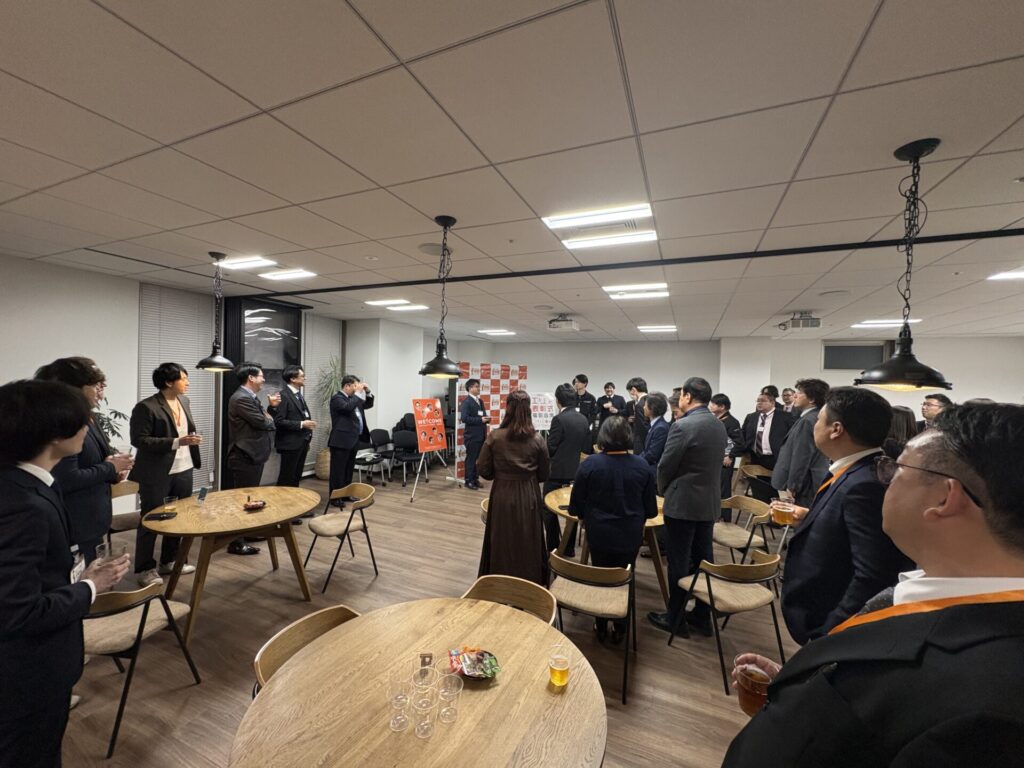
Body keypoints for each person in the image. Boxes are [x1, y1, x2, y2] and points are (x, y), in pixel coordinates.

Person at [723, 403, 1024, 767]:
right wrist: (812, 686)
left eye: (897, 468)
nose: (884, 479)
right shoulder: (936, 601)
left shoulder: (987, 704)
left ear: (945, 497)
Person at [0, 380, 129, 768]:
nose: (88, 427)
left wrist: (77, 576)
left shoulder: (25, 482)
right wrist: (91, 586)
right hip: (28, 672)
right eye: (81, 420)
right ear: (54, 434)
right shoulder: (25, 505)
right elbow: (18, 612)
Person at [776, 387, 913, 644]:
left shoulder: (864, 484)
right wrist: (812, 517)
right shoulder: (856, 470)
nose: (815, 425)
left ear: (836, 429)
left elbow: (873, 574)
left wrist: (830, 633)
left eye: (819, 419)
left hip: (828, 622)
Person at [648, 377, 727, 637]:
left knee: (679, 562)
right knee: (704, 560)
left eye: (681, 394)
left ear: (688, 396)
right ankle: (703, 616)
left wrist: (663, 490)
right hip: (708, 503)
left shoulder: (682, 426)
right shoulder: (718, 425)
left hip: (682, 503)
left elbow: (665, 466)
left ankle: (675, 618)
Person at [35, 357, 134, 563]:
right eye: (97, 386)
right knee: (81, 575)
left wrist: (114, 472)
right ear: (72, 388)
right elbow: (65, 479)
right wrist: (109, 467)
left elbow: (96, 461)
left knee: (94, 572)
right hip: (75, 522)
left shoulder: (89, 416)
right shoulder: (61, 423)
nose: (102, 393)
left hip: (95, 516)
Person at [570, 416, 657, 641]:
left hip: (598, 533)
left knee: (600, 575)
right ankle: (621, 626)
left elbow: (576, 505)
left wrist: (584, 517)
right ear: (629, 437)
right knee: (625, 576)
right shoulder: (642, 466)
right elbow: (651, 510)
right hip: (630, 534)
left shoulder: (589, 464)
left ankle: (600, 624)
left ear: (603, 437)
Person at [128, 363, 202, 586]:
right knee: (151, 518)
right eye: (183, 379)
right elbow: (139, 440)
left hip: (184, 467)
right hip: (156, 471)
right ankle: (145, 568)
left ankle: (169, 561)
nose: (187, 382)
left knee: (178, 516)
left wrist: (191, 439)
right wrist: (177, 442)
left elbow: (184, 430)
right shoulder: (146, 407)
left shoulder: (184, 401)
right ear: (169, 382)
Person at [477, 390, 550, 585]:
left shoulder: (495, 437)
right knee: (528, 537)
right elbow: (544, 474)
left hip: (502, 492)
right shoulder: (538, 439)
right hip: (529, 493)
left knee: (501, 537)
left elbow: (483, 469)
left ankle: (499, 582)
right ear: (529, 410)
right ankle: (528, 583)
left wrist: (500, 474)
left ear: (507, 409)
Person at [225, 362, 278, 556]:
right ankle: (236, 543)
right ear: (251, 378)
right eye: (261, 376)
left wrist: (269, 412)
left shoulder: (250, 397)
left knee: (250, 497)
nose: (264, 379)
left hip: (253, 453)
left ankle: (247, 533)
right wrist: (268, 417)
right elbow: (263, 422)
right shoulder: (241, 398)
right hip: (244, 454)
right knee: (242, 499)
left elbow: (265, 419)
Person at [543, 383, 590, 556]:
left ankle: (553, 546)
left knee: (547, 508)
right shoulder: (583, 419)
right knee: (572, 510)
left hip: (556, 472)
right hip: (576, 472)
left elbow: (551, 448)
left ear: (558, 401)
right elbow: (586, 447)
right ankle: (568, 548)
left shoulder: (559, 419)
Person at [771, 378, 830, 507]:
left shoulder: (808, 420)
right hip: (809, 480)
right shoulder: (812, 416)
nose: (795, 396)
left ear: (812, 399)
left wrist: (793, 486)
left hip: (805, 484)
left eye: (799, 393)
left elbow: (802, 456)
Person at [328, 375, 374, 506]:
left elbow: (368, 404)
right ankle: (335, 498)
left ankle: (346, 495)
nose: (356, 388)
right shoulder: (337, 398)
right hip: (341, 441)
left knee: (348, 470)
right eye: (354, 385)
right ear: (347, 386)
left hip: (353, 440)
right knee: (338, 471)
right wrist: (358, 394)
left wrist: (368, 392)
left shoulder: (353, 399)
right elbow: (347, 408)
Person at [269, 365, 316, 492]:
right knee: (286, 477)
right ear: (293, 379)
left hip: (302, 441)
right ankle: (283, 502)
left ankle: (295, 501)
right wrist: (301, 424)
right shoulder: (283, 395)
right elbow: (278, 421)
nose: (305, 378)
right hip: (290, 443)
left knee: (296, 476)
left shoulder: (298, 395)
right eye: (302, 376)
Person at [741, 391, 796, 501]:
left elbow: (792, 437)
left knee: (773, 487)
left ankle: (771, 506)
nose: (759, 403)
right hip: (756, 457)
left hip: (775, 457)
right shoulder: (751, 417)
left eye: (763, 401)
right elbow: (743, 434)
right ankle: (760, 506)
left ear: (772, 402)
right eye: (758, 401)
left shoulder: (785, 417)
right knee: (759, 487)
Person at [709, 394, 743, 521]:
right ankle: (715, 514)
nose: (710, 406)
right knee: (714, 488)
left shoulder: (732, 422)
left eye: (713, 404)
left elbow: (740, 443)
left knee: (724, 490)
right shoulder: (714, 419)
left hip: (725, 460)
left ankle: (725, 517)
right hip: (714, 459)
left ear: (722, 407)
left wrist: (731, 456)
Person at [459, 378, 490, 491]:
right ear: (470, 388)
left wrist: (486, 419)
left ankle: (475, 479)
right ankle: (469, 481)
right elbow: (464, 418)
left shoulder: (480, 401)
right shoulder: (466, 402)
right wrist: (480, 420)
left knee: (479, 459)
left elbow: (483, 415)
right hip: (472, 436)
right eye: (476, 386)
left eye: (478, 386)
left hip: (481, 435)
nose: (478, 388)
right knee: (471, 459)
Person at [640, 392, 670, 466]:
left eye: (645, 405)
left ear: (652, 408)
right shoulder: (655, 424)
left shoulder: (661, 428)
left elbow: (652, 455)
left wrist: (636, 461)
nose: (643, 407)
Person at [624, 377, 650, 454]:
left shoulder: (639, 405)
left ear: (633, 390)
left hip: (641, 445)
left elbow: (642, 429)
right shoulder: (652, 400)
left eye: (629, 392)